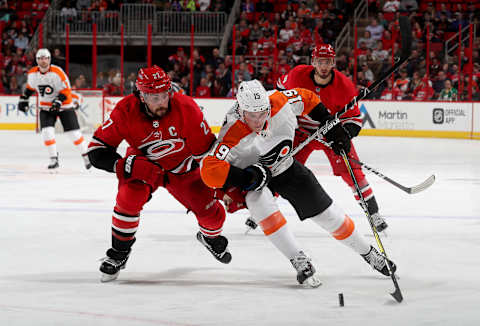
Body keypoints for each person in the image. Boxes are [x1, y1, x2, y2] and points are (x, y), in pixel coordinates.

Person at [200, 80, 396, 287]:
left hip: (286, 168)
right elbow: (209, 169)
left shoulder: (279, 100)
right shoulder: (231, 130)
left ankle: (368, 252)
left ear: (268, 105)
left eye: (262, 113)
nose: (258, 121)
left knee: (329, 216)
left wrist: (331, 127)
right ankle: (298, 258)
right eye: (252, 115)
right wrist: (247, 178)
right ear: (241, 110)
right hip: (258, 179)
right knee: (261, 207)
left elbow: (308, 97)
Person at [87, 65, 231, 282]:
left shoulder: (187, 108)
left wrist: (222, 185)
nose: (161, 102)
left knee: (213, 216)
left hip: (182, 168)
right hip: (145, 166)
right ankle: (119, 253)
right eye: (154, 98)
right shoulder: (125, 110)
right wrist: (124, 166)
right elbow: (96, 151)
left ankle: (208, 237)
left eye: (164, 95)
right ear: (141, 96)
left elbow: (206, 153)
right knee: (128, 197)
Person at [275, 44, 388, 232]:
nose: (324, 66)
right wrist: (286, 118)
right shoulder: (297, 75)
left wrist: (344, 137)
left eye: (327, 61)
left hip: (331, 133)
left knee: (353, 172)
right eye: (320, 61)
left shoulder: (344, 85)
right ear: (313, 62)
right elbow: (279, 88)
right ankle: (263, 211)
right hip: (301, 132)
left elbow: (354, 119)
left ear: (333, 62)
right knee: (282, 167)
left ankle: (374, 214)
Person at [17, 48, 91, 171]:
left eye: (45, 58)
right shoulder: (32, 73)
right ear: (37, 60)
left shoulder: (58, 72)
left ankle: (86, 156)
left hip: (65, 106)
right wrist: (24, 99)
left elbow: (66, 90)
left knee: (74, 134)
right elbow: (30, 88)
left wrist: (58, 101)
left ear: (49, 59)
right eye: (40, 58)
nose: (43, 61)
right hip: (46, 108)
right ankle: (53, 159)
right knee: (47, 133)